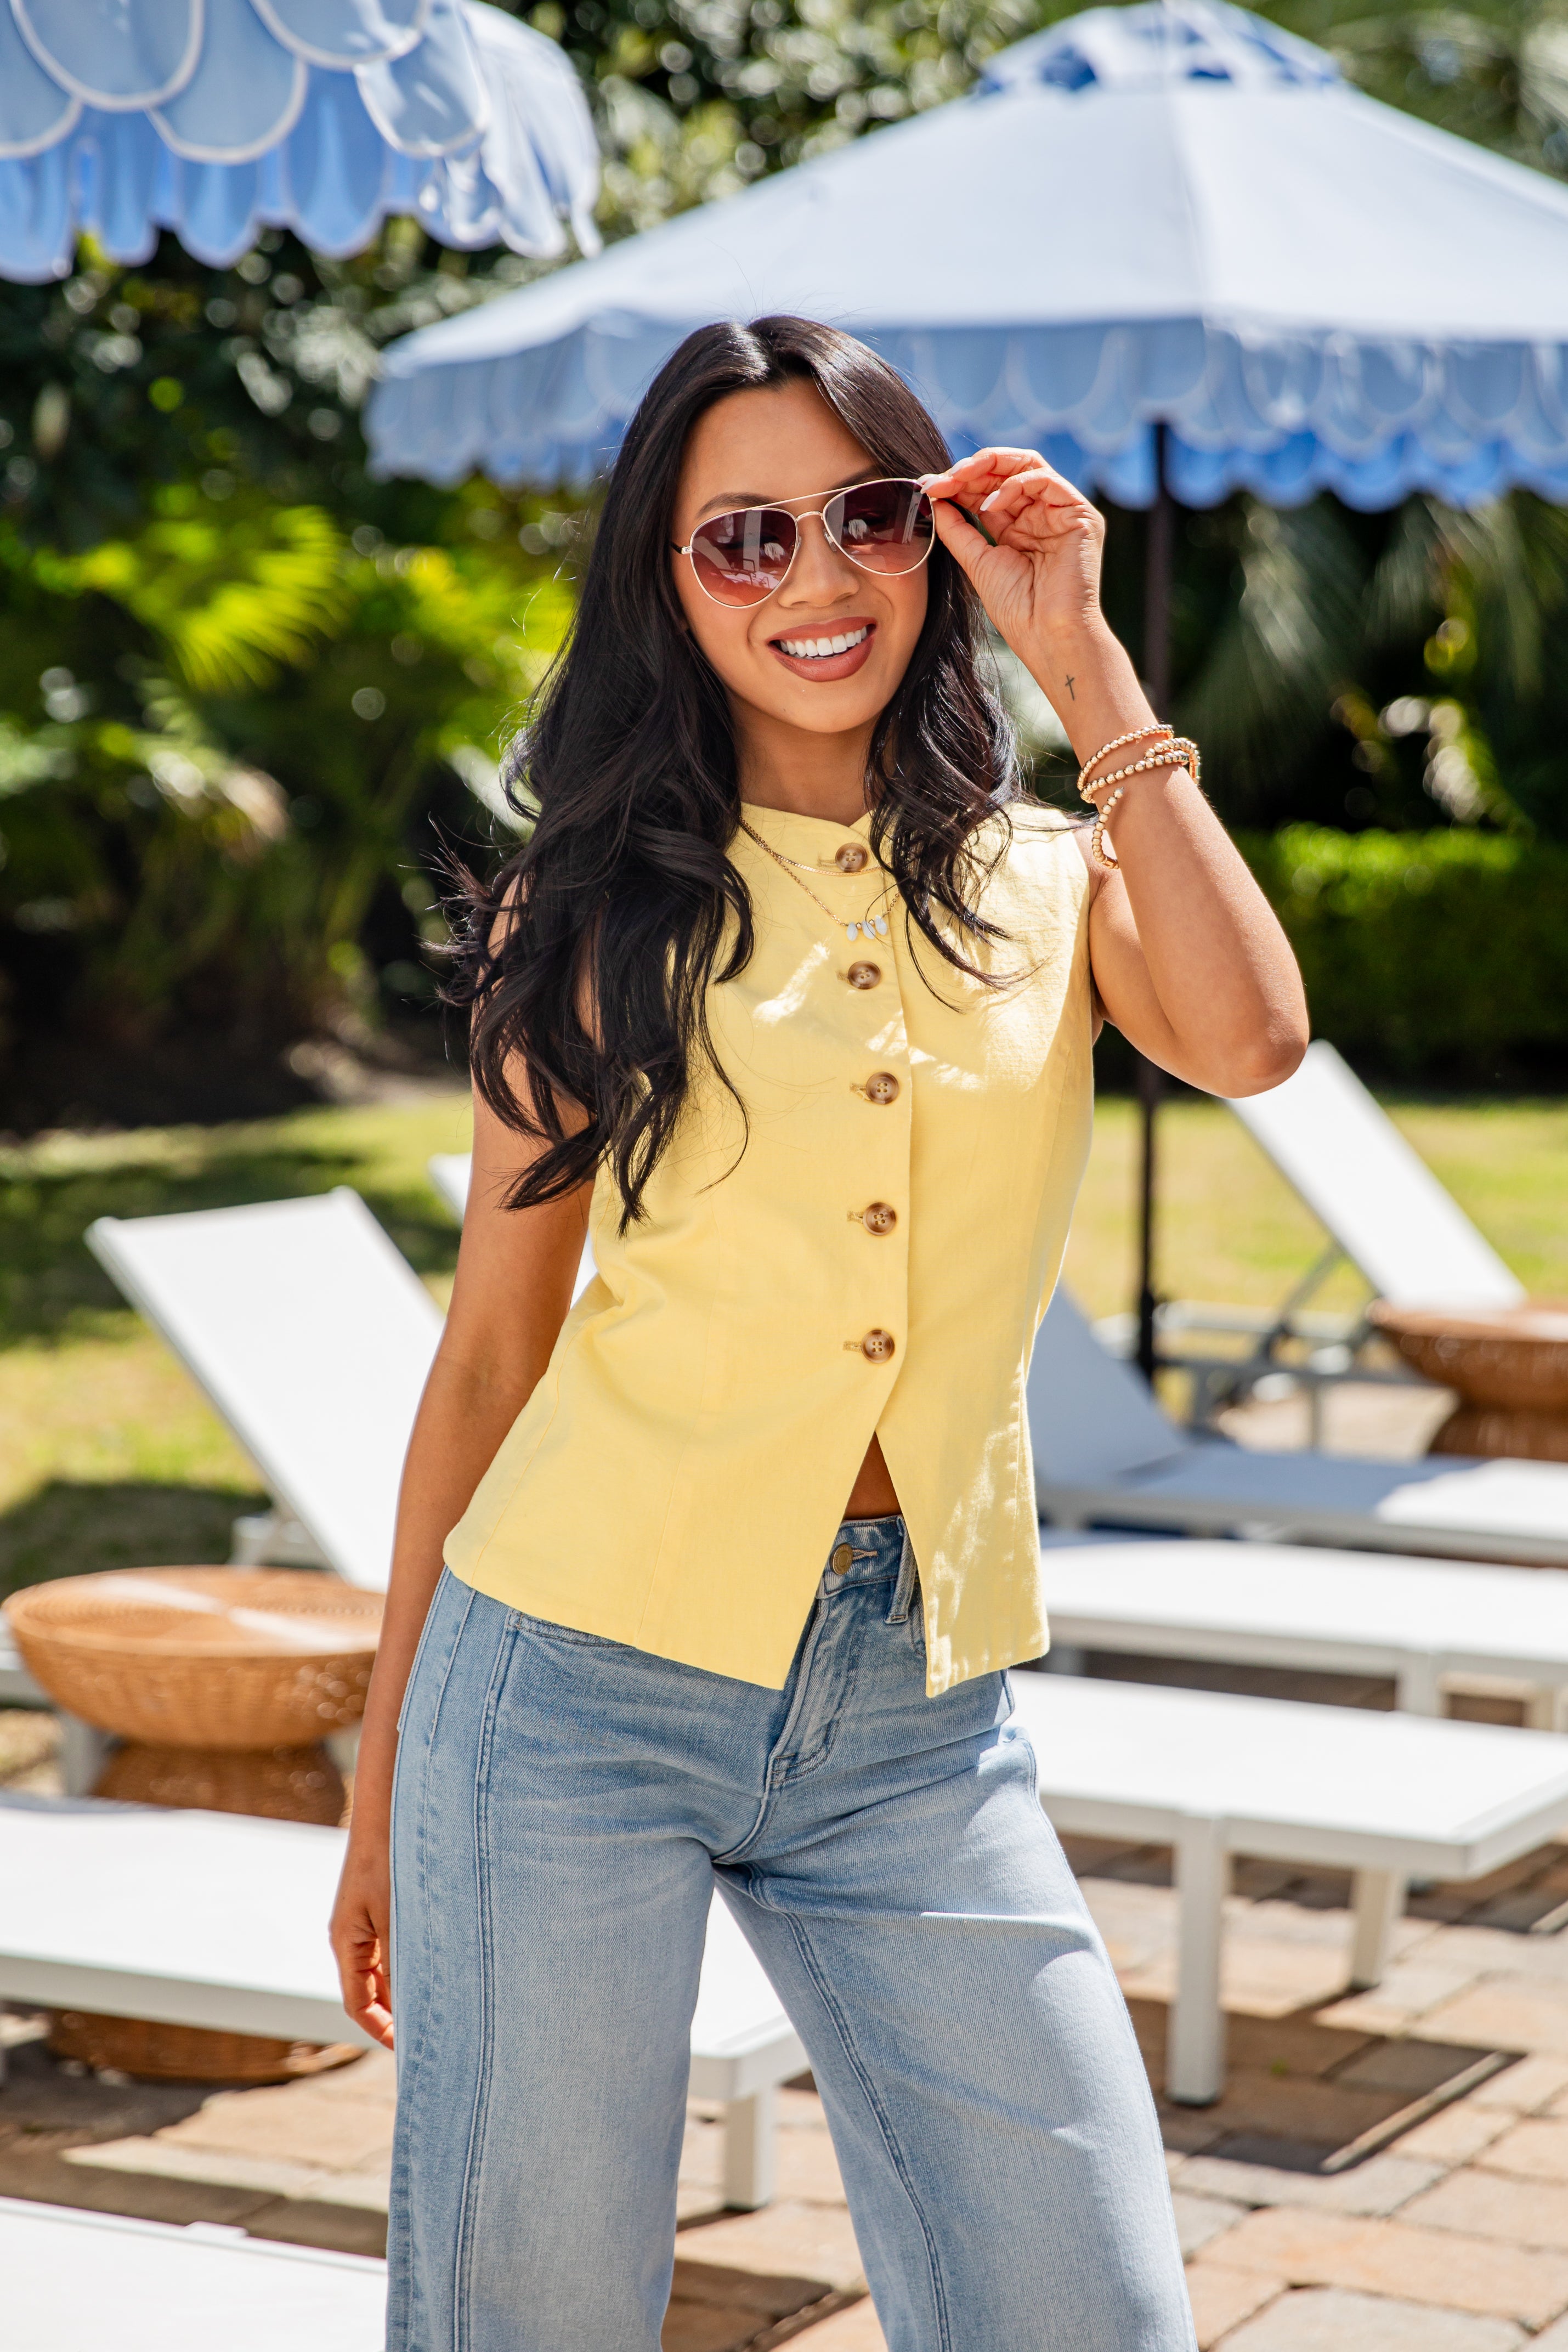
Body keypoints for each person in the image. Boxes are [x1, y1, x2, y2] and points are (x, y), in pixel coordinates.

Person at [331, 314, 1307, 2351]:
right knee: (534, 2317)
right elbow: (493, 1364)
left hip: (914, 1719)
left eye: (865, 516)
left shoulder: (1049, 877)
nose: (813, 578)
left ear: (932, 540)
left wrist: (1086, 659)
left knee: (1083, 2305)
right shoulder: (585, 910)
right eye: (740, 539)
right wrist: (384, 1775)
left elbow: (1249, 1037)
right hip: (565, 1689)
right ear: (666, 588)